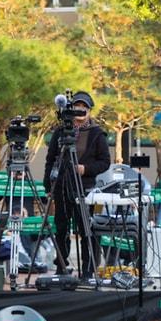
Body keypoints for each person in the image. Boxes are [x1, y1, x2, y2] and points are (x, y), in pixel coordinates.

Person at [43, 91, 111, 277]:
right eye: (77, 106)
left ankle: (88, 269)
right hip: (62, 186)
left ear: (90, 111)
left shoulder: (97, 133)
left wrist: (85, 169)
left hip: (85, 187)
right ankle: (62, 266)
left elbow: (105, 162)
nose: (80, 110)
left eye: (84, 107)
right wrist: (48, 186)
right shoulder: (61, 131)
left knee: (86, 228)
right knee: (62, 228)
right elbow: (50, 160)